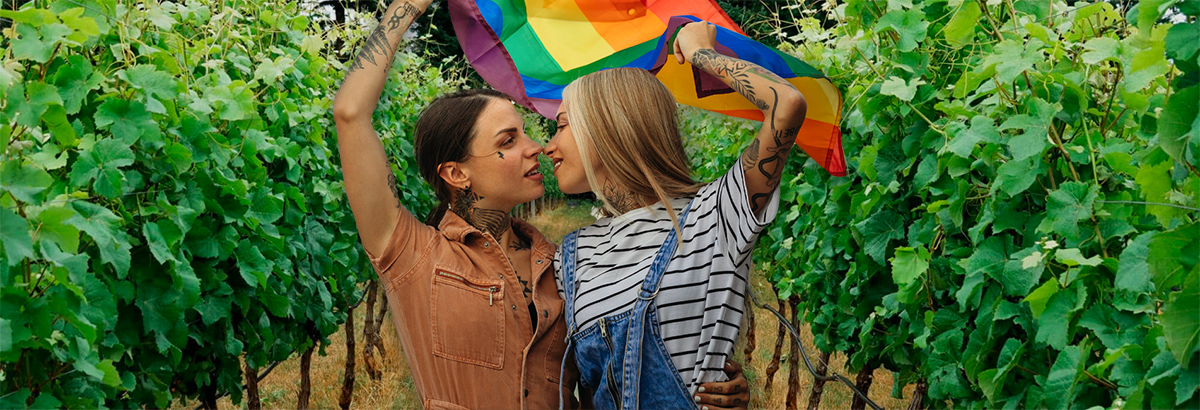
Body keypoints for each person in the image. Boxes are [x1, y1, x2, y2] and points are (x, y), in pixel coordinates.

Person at [332, 1, 752, 408]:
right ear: (456, 173)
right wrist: (408, 7)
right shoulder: (413, 255)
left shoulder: (564, 264)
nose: (536, 148)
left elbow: (604, 378)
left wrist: (707, 384)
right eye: (508, 141)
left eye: (526, 133)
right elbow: (350, 112)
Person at [543, 21, 807, 410]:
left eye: (562, 125)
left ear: (607, 128)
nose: (549, 146)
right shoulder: (572, 255)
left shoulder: (714, 216)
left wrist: (702, 54)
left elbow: (787, 104)